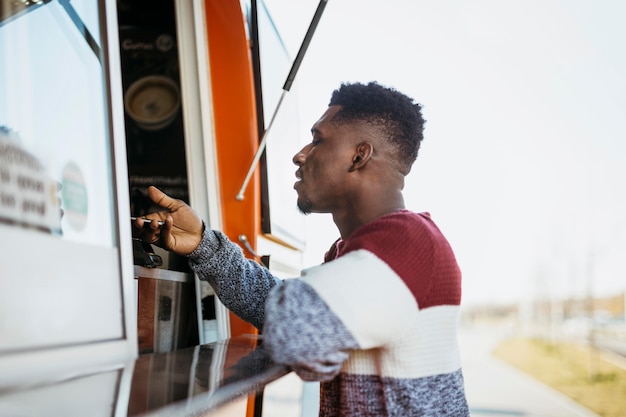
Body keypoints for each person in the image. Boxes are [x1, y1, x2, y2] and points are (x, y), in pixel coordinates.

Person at [136, 81, 470, 416]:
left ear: (359, 155)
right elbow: (285, 309)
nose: (300, 155)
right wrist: (204, 244)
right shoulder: (356, 249)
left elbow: (295, 329)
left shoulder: (407, 242)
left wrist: (306, 323)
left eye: (317, 140)